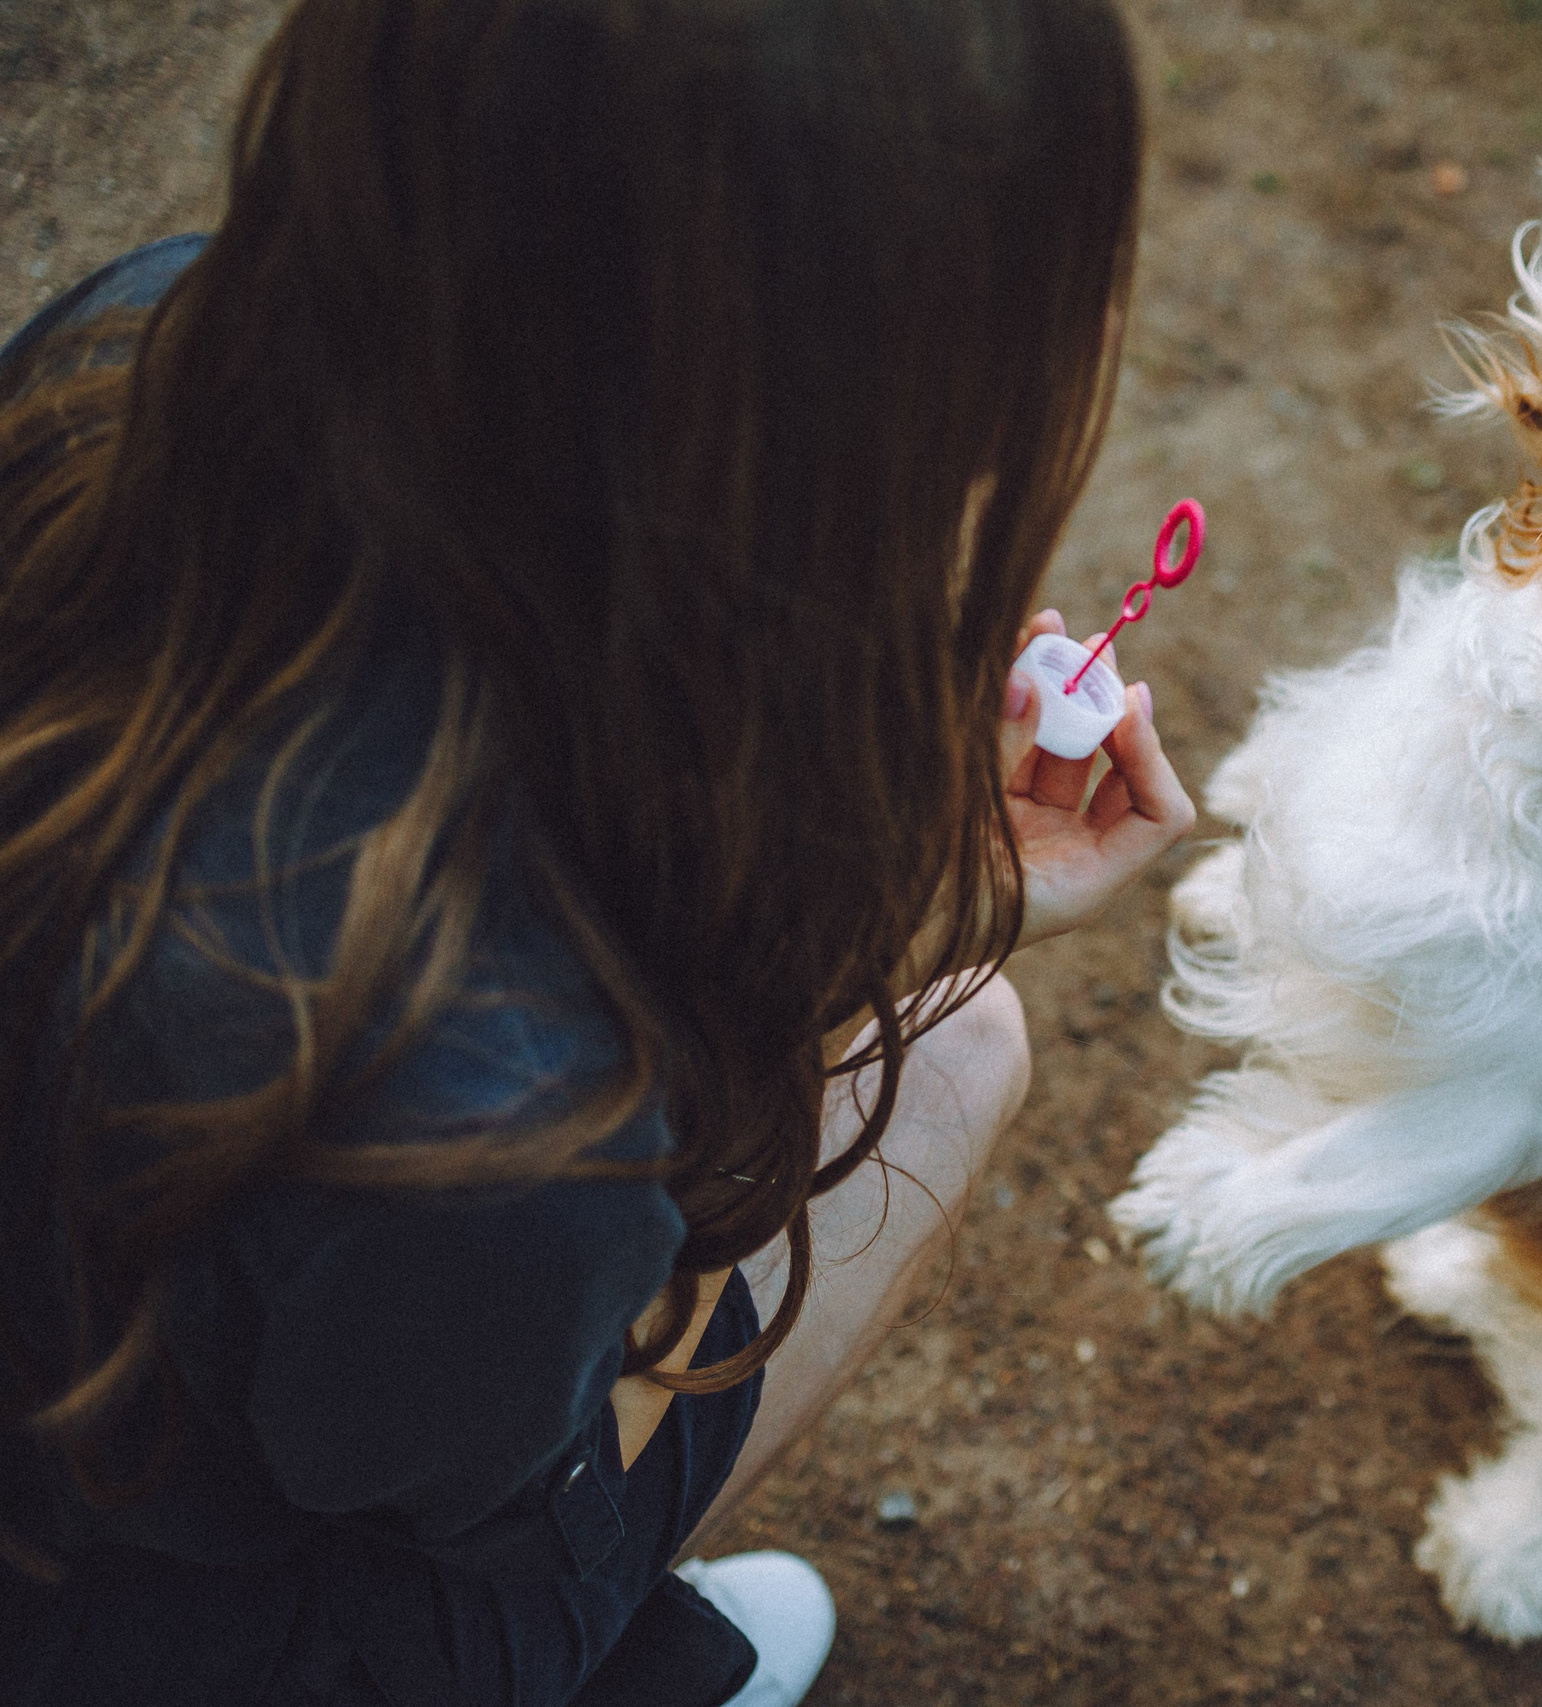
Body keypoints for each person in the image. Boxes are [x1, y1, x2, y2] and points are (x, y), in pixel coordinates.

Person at [0, 2, 1192, 1704]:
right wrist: (909, 931)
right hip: (141, 1634)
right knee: (959, 1049)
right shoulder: (492, 1109)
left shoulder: (130, 349)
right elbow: (462, 1489)